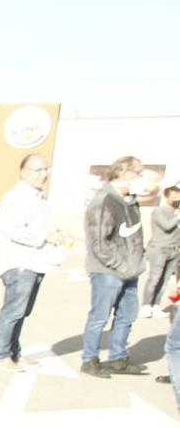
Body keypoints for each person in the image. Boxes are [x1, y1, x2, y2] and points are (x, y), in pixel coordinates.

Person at [80, 156, 147, 377]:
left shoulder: (130, 201)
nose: (141, 177)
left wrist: (137, 262)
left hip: (130, 270)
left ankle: (118, 358)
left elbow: (135, 234)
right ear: (124, 173)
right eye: (139, 172)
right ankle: (89, 359)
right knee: (99, 316)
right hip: (108, 272)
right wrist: (122, 265)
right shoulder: (104, 201)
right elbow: (99, 243)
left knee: (127, 315)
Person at [0, 154, 54, 370]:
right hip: (19, 263)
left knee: (23, 311)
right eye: (38, 170)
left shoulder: (38, 197)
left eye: (46, 169)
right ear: (24, 172)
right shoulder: (17, 197)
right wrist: (44, 237)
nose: (43, 174)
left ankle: (14, 352)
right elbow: (13, 229)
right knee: (13, 311)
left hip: (35, 262)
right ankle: (0, 355)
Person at [141, 186, 180, 317]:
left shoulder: (176, 212)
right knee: (154, 278)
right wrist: (178, 214)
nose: (177, 198)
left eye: (179, 196)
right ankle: (146, 306)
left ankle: (156, 305)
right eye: (174, 196)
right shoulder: (159, 211)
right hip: (159, 249)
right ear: (167, 197)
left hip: (174, 250)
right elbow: (167, 226)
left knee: (165, 279)